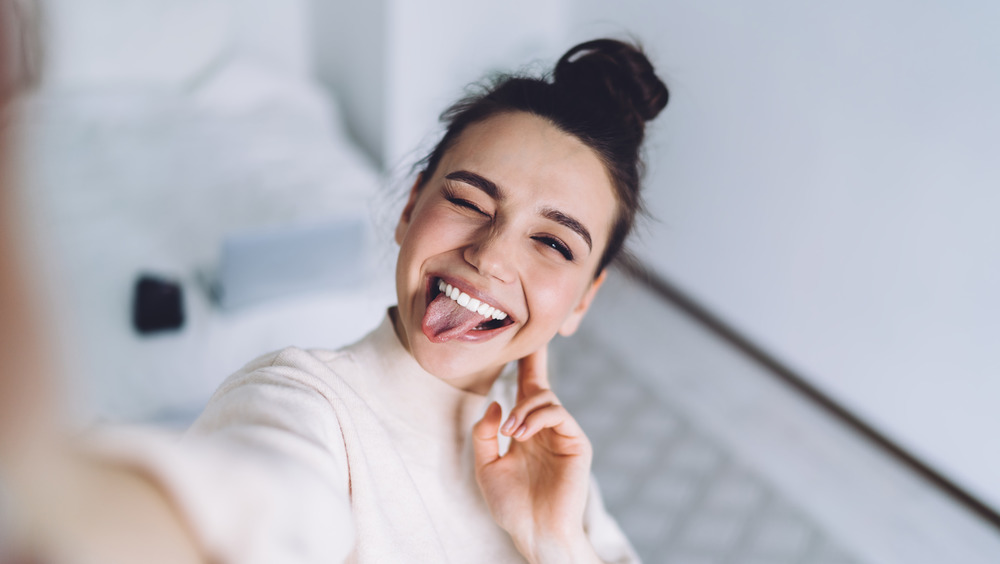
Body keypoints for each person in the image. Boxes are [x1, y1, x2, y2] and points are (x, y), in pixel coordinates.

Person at [0, 37, 667, 563]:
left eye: (552, 243)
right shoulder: (302, 404)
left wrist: (556, 542)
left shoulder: (551, 456)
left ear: (584, 299)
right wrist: (57, 495)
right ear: (409, 208)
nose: (490, 255)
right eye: (467, 200)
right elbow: (253, 506)